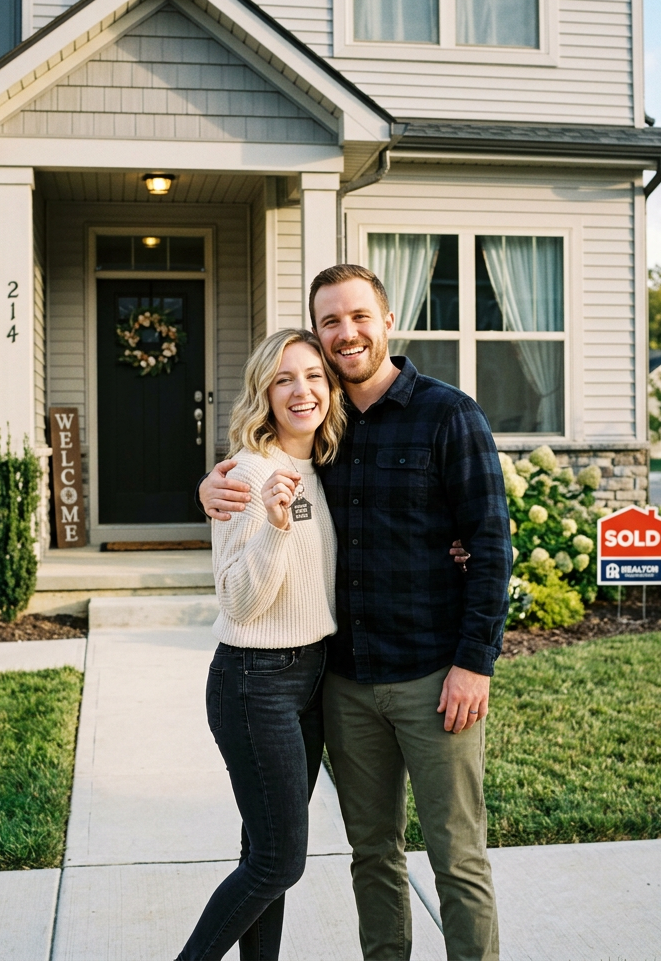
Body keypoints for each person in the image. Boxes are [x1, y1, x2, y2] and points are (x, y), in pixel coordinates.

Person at [199, 265, 512, 961]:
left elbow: (491, 545)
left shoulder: (448, 414)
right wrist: (216, 487)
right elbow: (261, 472)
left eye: (358, 316)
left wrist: (474, 663)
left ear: (387, 320)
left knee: (457, 857)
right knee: (373, 854)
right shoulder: (325, 427)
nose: (346, 334)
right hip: (342, 683)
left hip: (436, 679)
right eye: (330, 323)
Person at [178, 328, 346, 961]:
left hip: (310, 679)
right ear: (263, 394)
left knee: (264, 854)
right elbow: (241, 602)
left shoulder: (321, 466)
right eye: (284, 379)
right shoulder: (249, 473)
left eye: (314, 376)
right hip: (255, 683)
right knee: (278, 863)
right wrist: (274, 530)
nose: (302, 391)